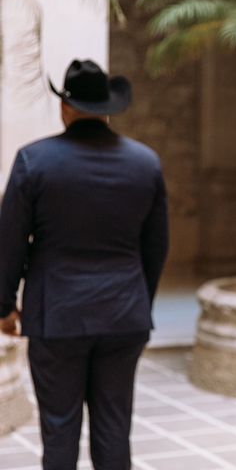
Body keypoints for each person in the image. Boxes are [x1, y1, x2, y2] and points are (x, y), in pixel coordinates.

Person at [0, 59, 169, 470]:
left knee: (59, 431)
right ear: (107, 108)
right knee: (114, 430)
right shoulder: (145, 162)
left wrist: (4, 306)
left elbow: (9, 242)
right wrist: (136, 300)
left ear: (65, 107)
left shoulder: (32, 161)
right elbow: (157, 246)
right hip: (124, 317)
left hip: (56, 317)